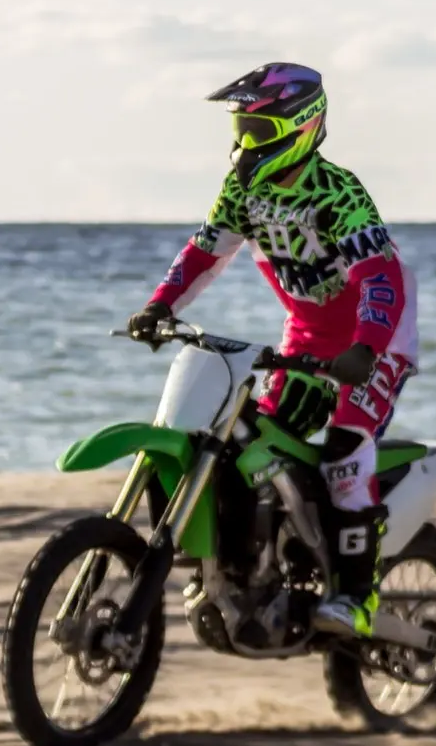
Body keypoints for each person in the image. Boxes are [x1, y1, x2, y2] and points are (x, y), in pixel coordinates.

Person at [126, 62, 417, 640]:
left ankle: (356, 596)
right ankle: (254, 566)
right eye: (241, 130)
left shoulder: (337, 192)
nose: (244, 143)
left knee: (344, 454)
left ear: (299, 128)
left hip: (376, 340)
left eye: (257, 131)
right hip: (306, 337)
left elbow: (382, 279)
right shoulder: (242, 189)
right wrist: (161, 306)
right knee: (252, 444)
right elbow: (205, 252)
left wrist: (366, 348)